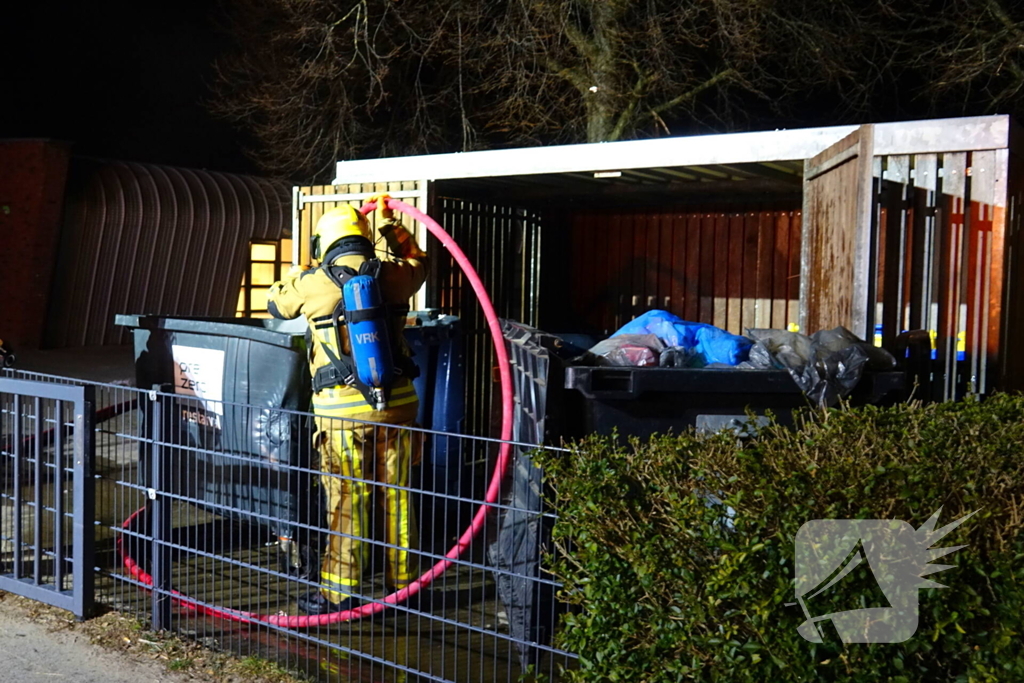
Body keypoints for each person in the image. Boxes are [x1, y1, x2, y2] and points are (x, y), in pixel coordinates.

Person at [267, 198, 428, 614]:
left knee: (347, 500)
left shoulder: (313, 283)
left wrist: (296, 272)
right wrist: (391, 225)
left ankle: (339, 593)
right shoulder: (395, 275)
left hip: (341, 415)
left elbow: (276, 304)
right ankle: (404, 591)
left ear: (326, 242)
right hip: (399, 408)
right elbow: (421, 260)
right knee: (398, 499)